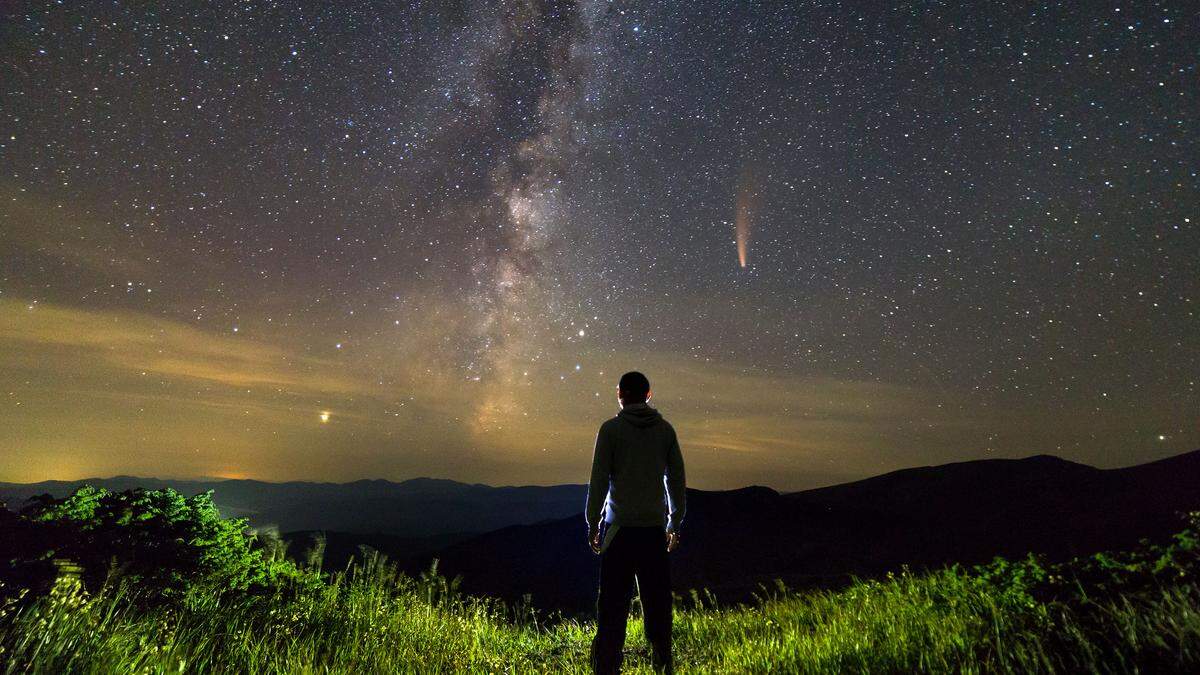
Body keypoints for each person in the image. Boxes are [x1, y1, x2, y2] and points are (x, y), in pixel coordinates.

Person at [586, 371, 686, 675]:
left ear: (620, 394)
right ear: (649, 394)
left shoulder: (611, 430)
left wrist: (593, 523)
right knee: (658, 607)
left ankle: (607, 668)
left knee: (613, 610)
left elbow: (599, 480)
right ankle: (663, 666)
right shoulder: (665, 431)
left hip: (619, 534)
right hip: (654, 532)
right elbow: (677, 481)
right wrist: (674, 523)